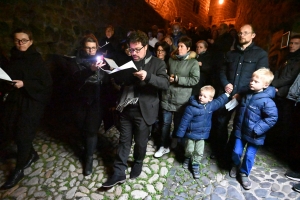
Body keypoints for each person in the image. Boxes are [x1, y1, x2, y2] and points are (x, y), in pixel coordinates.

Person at [102, 30, 169, 187]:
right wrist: (112, 72)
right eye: (131, 49)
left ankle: (138, 162)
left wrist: (148, 77)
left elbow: (165, 84)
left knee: (140, 142)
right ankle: (119, 172)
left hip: (144, 110)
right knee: (124, 141)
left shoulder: (157, 63)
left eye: (137, 49)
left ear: (146, 47)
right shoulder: (127, 61)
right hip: (126, 108)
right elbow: (119, 81)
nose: (133, 53)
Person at [0, 28, 52, 190]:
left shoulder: (36, 60)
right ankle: (32, 154)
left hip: (32, 102)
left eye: (24, 40)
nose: (20, 43)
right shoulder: (14, 58)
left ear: (31, 41)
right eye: (17, 40)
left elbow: (46, 84)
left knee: (24, 135)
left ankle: (19, 169)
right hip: (16, 100)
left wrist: (25, 84)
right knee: (12, 129)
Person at [211, 24, 269, 162]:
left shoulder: (260, 54)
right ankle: (219, 150)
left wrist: (242, 93)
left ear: (253, 35)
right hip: (228, 94)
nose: (241, 35)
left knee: (239, 125)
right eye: (240, 33)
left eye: (245, 33)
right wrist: (226, 83)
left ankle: (229, 154)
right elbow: (222, 71)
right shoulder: (230, 54)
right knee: (220, 122)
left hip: (246, 97)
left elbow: (262, 77)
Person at [229, 68, 278, 190]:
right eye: (252, 80)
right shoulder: (246, 94)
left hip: (255, 134)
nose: (252, 82)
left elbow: (272, 117)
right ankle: (235, 164)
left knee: (249, 155)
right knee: (236, 151)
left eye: (256, 81)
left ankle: (244, 173)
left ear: (265, 85)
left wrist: (258, 129)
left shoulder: (267, 101)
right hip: (241, 131)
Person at [154, 36, 200, 158]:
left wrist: (178, 79)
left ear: (188, 49)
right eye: (178, 46)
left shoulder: (193, 62)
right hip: (167, 96)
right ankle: (163, 146)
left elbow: (195, 79)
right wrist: (166, 77)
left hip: (181, 99)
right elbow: (166, 73)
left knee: (178, 123)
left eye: (182, 46)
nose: (179, 48)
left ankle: (175, 142)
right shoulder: (171, 60)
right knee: (165, 123)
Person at [72, 33, 109, 176]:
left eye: (93, 48)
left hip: (96, 100)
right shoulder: (76, 60)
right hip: (80, 99)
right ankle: (86, 147)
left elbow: (105, 81)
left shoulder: (101, 59)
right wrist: (90, 70)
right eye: (88, 48)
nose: (91, 51)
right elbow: (74, 79)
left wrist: (109, 71)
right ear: (83, 48)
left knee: (92, 130)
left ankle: (88, 158)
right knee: (81, 125)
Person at [176, 85, 230, 179]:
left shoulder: (210, 106)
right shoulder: (191, 108)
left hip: (202, 135)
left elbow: (219, 101)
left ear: (210, 99)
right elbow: (184, 122)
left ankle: (195, 164)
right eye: (200, 95)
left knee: (199, 152)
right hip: (191, 134)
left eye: (204, 96)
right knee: (189, 149)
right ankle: (187, 157)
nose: (201, 97)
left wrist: (226, 94)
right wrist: (180, 134)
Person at [271, 35, 300, 154]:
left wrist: (275, 85)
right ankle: (272, 144)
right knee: (275, 118)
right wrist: (274, 84)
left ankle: (280, 149)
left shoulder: (298, 59)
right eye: (291, 43)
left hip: (288, 95)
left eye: (296, 43)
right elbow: (278, 71)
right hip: (278, 92)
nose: (292, 45)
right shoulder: (286, 57)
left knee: (285, 122)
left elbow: (290, 77)